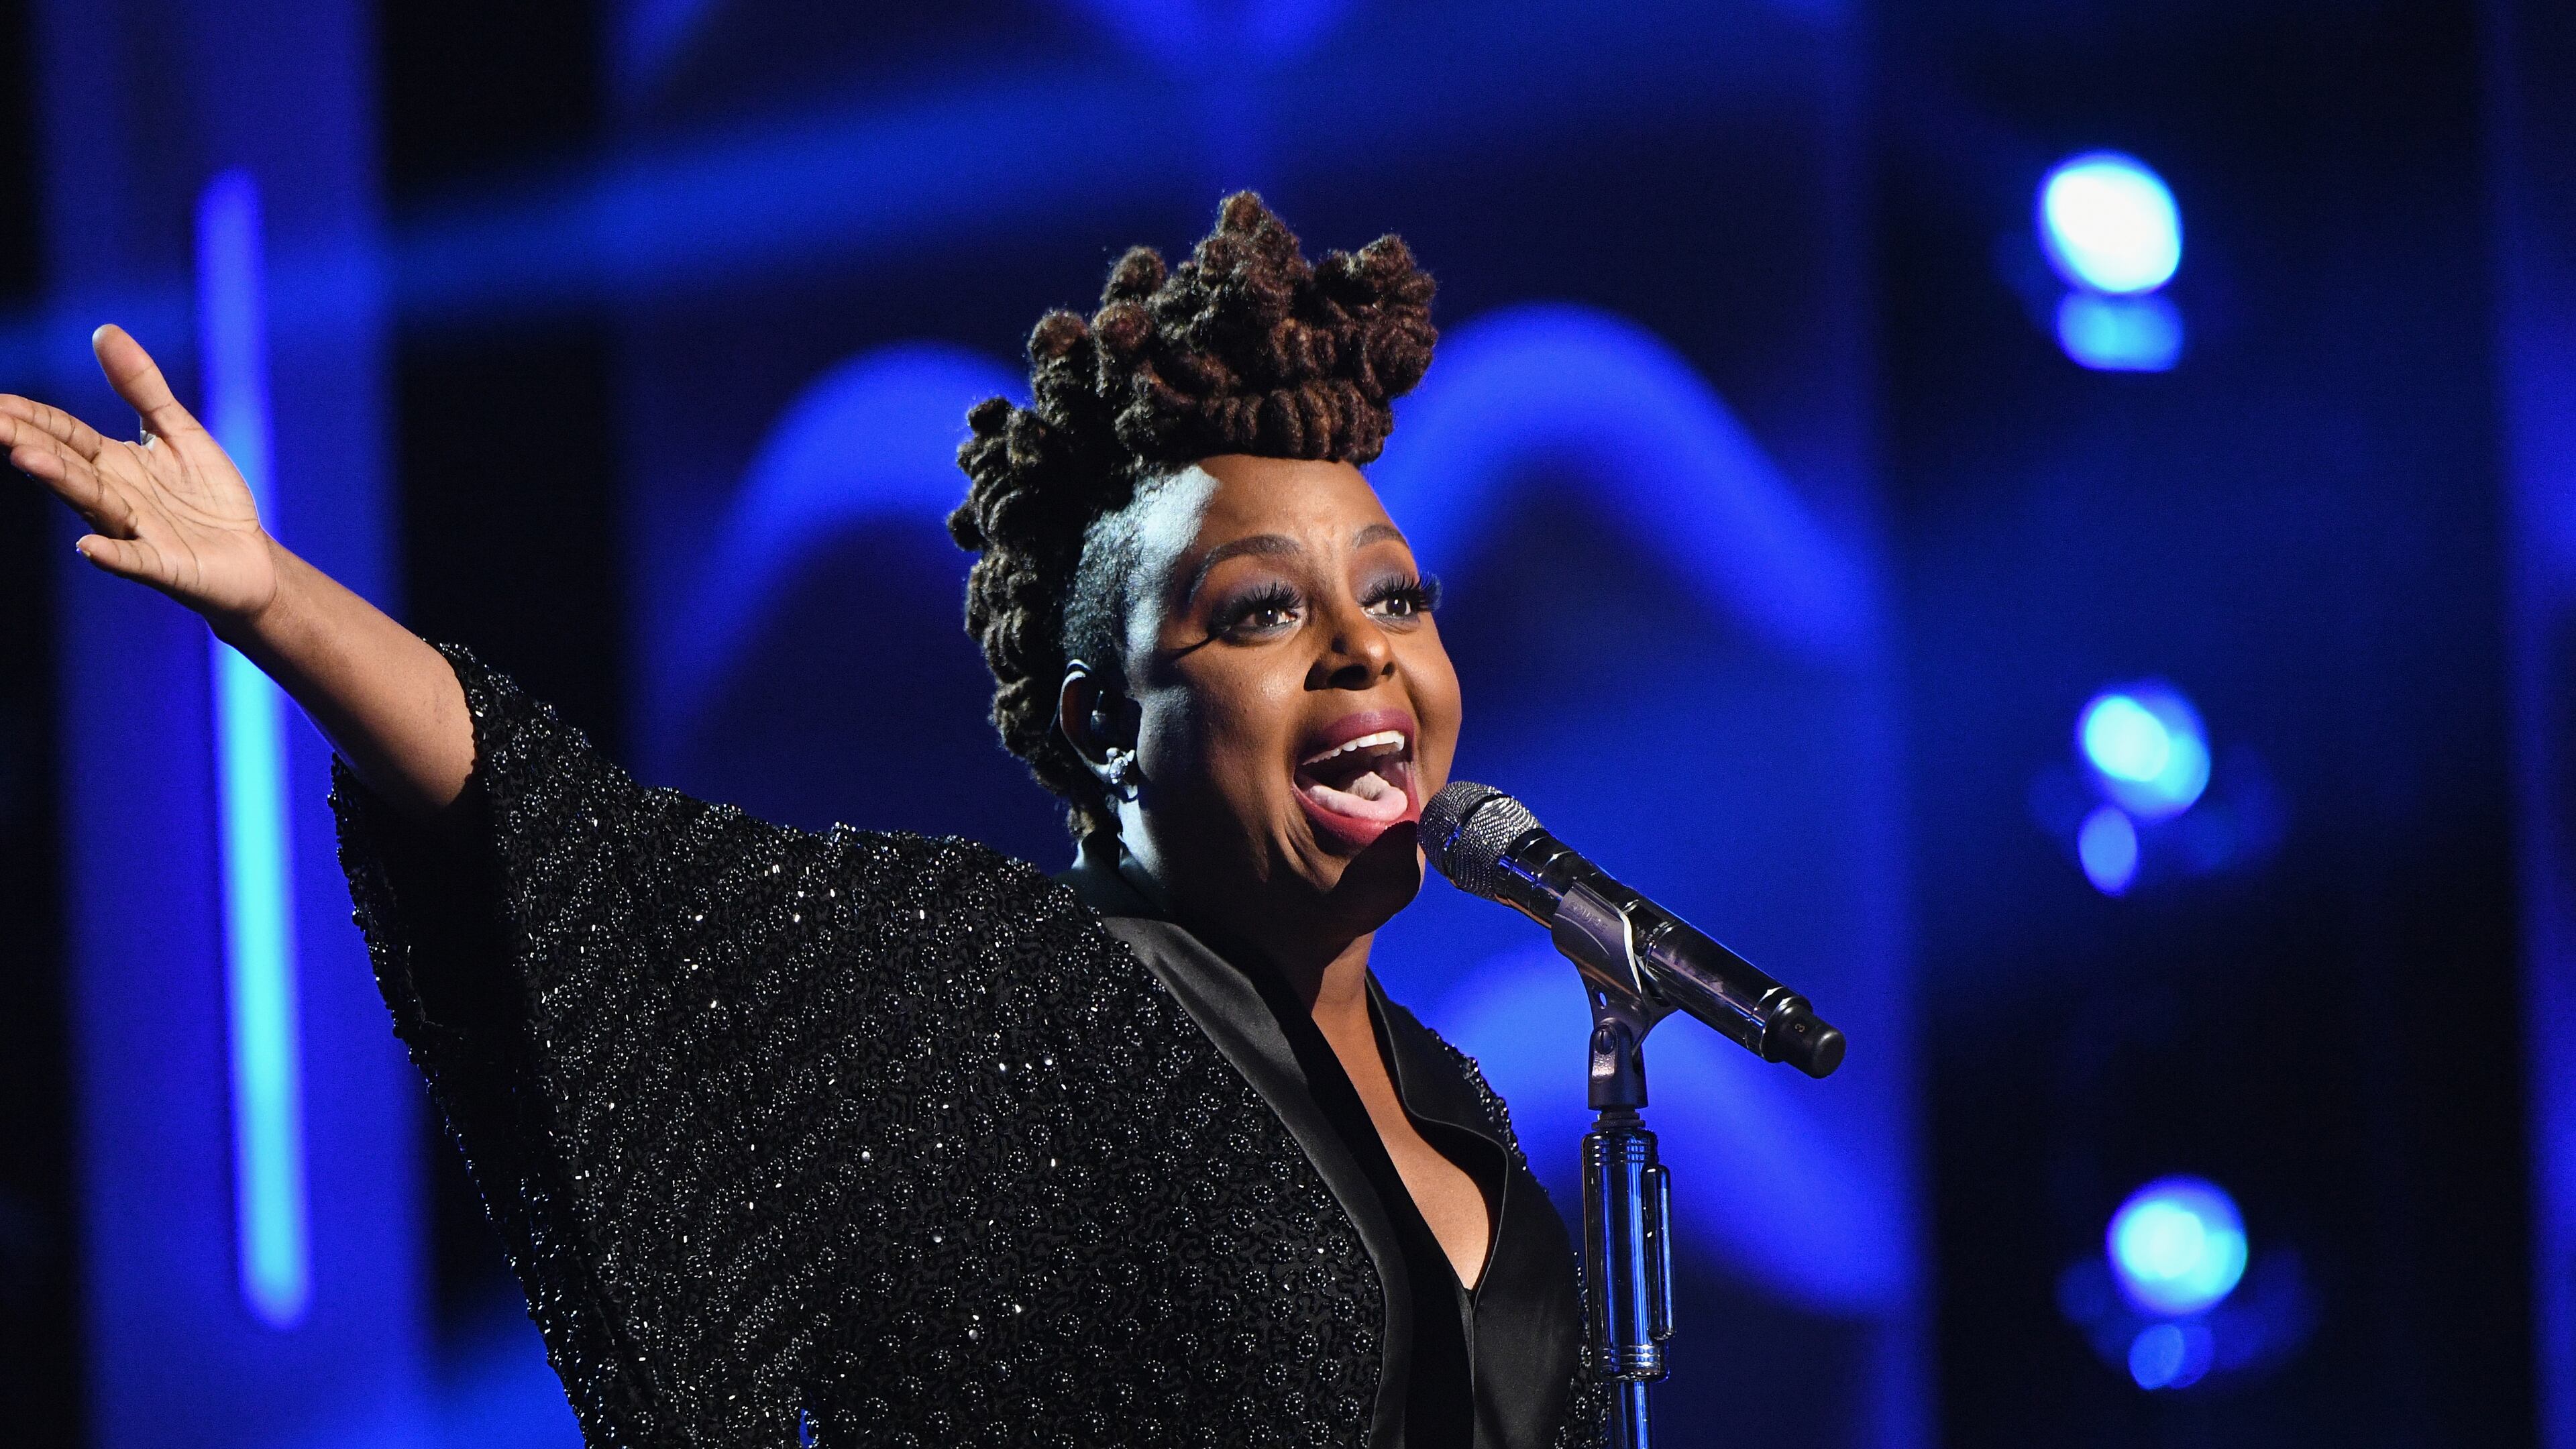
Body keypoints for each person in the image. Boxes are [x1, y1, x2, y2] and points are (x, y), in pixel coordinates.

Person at [4, 193, 1594, 1448]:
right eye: (1261, 610)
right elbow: (578, 850)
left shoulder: (1462, 1108)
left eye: (1398, 596)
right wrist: (276, 597)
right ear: (1103, 727)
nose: (1365, 648)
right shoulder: (995, 992)